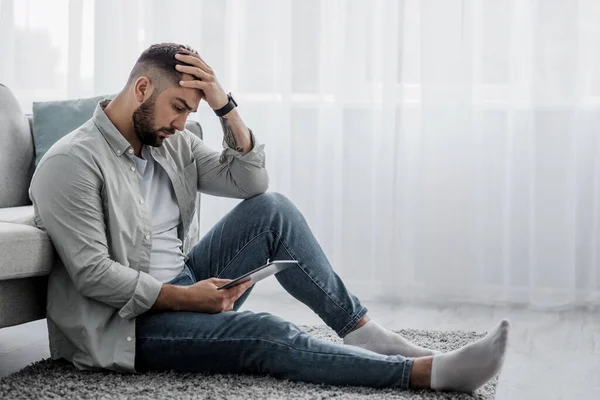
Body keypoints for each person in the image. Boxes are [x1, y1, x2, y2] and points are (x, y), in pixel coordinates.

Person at [29, 43, 509, 393]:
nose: (181, 123)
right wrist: (185, 300)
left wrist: (225, 107)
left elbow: (249, 185)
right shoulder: (71, 163)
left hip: (185, 282)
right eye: (178, 107)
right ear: (141, 87)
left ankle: (365, 333)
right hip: (128, 325)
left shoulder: (170, 141)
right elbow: (92, 275)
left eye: (189, 111)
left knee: (272, 209)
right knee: (267, 332)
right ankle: (425, 375)